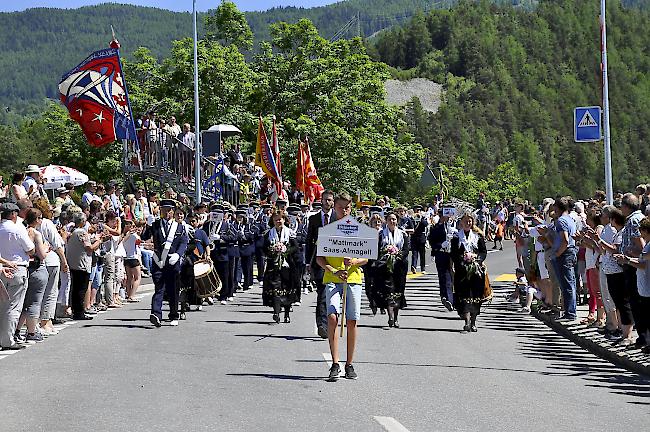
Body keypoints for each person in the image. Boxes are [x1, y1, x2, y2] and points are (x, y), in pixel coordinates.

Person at [316, 192, 367, 381]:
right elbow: (320, 258)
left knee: (352, 320)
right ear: (334, 207)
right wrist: (334, 270)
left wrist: (353, 261)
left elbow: (366, 257)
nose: (343, 210)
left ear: (351, 208)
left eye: (347, 207)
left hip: (353, 279)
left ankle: (349, 364)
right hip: (333, 278)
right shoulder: (328, 230)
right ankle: (335, 363)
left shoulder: (359, 229)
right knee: (332, 317)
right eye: (340, 207)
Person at [141, 200, 189, 327]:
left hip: (173, 262)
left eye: (169, 210)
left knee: (173, 290)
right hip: (159, 261)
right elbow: (144, 237)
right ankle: (156, 314)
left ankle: (173, 314)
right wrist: (148, 225)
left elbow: (184, 242)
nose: (167, 212)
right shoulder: (155, 225)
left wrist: (178, 254)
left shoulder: (179, 227)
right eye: (164, 210)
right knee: (159, 288)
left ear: (173, 211)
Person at [0, 202, 35, 350]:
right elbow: (31, 250)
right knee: (13, 306)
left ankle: (3, 338)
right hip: (17, 268)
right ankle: (7, 340)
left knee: (3, 306)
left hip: (2, 268)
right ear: (13, 214)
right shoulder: (17, 229)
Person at [15, 209, 50, 343]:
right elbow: (41, 255)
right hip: (38, 268)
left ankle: (18, 330)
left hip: (26, 268)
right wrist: (46, 249)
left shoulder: (22, 231)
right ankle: (31, 332)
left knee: (25, 303)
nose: (41, 221)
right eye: (40, 218)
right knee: (35, 302)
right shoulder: (36, 233)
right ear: (36, 220)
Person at [450, 210, 488, 333]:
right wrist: (463, 260)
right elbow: (454, 253)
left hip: (476, 270)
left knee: (475, 296)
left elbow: (483, 251)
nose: (468, 222)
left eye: (470, 221)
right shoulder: (456, 237)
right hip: (462, 270)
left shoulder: (477, 236)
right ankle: (466, 321)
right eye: (465, 221)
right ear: (461, 222)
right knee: (464, 295)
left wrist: (477, 259)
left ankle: (473, 321)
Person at [66, 212, 107, 320]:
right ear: (82, 221)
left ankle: (76, 311)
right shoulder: (82, 233)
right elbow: (89, 248)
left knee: (76, 289)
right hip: (82, 264)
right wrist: (99, 241)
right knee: (81, 289)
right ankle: (79, 312)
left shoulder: (73, 232)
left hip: (74, 263)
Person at [305, 190, 335, 339]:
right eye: (325, 200)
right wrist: (307, 263)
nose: (327, 202)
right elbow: (309, 241)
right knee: (322, 293)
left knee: (333, 295)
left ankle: (331, 323)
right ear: (321, 201)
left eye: (330, 200)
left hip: (335, 262)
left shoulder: (338, 218)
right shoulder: (314, 219)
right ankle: (322, 325)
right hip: (319, 262)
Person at [262, 210, 300, 323]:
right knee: (274, 288)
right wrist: (273, 250)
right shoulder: (269, 233)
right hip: (273, 265)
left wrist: (285, 251)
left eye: (280, 219)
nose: (278, 221)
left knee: (287, 288)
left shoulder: (290, 232)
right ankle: (276, 312)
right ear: (272, 221)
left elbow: (295, 247)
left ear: (284, 220)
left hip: (288, 265)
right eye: (276, 219)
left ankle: (287, 314)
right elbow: (264, 248)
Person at [373, 212, 410, 328]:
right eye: (390, 219)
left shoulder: (403, 234)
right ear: (386, 221)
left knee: (398, 291)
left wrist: (398, 254)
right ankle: (390, 317)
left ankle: (396, 317)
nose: (392, 221)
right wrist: (386, 253)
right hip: (385, 266)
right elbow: (377, 249)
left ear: (397, 221)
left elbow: (406, 249)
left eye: (394, 219)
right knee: (388, 291)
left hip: (399, 266)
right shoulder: (381, 234)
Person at [622, 216, 650, 354]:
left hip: (647, 286)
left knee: (647, 317)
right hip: (644, 286)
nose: (640, 234)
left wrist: (627, 259)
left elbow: (643, 263)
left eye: (642, 231)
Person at [550, 197, 578, 323]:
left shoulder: (561, 221)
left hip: (564, 254)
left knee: (566, 283)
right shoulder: (570, 219)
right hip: (571, 252)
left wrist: (557, 253)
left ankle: (570, 312)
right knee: (570, 282)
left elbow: (565, 240)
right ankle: (569, 310)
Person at [428, 208, 456, 311]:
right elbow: (432, 241)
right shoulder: (436, 228)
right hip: (442, 254)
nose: (448, 217)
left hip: (454, 254)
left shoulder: (455, 226)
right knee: (444, 277)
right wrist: (440, 245)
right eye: (446, 215)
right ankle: (447, 298)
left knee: (454, 277)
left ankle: (451, 298)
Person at [410, 205, 428, 273]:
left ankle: (423, 269)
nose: (417, 212)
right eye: (416, 210)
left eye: (418, 210)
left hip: (421, 238)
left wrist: (421, 218)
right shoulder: (411, 218)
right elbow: (411, 226)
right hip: (414, 238)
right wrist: (413, 218)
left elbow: (426, 224)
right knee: (414, 253)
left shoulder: (423, 218)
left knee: (422, 254)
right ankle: (413, 266)